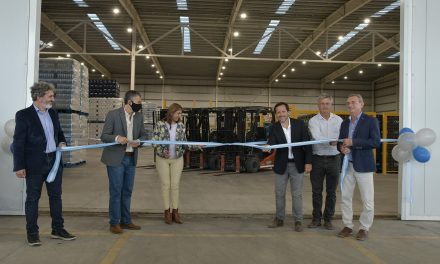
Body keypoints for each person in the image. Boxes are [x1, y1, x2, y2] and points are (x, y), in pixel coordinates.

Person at [13, 81, 76, 246]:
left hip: (54, 162)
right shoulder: (23, 115)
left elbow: (59, 133)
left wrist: (61, 142)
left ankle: (58, 229)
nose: (53, 99)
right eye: (50, 96)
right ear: (39, 96)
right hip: (34, 163)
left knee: (56, 197)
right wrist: (19, 166)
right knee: (33, 198)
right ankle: (32, 233)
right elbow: (18, 142)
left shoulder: (53, 113)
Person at [101, 90, 147, 234]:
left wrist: (139, 141)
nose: (140, 105)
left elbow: (144, 135)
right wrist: (117, 138)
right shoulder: (113, 114)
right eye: (139, 102)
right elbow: (104, 136)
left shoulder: (138, 117)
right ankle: (114, 222)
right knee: (116, 191)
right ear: (130, 102)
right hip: (115, 159)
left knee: (127, 191)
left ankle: (126, 221)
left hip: (131, 158)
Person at [337, 94, 380, 241]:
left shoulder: (370, 121)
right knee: (345, 198)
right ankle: (348, 225)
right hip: (347, 166)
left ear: (362, 104)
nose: (350, 106)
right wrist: (342, 148)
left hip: (364, 166)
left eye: (353, 103)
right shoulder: (344, 123)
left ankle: (364, 228)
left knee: (367, 200)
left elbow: (375, 142)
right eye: (348, 103)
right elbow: (340, 142)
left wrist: (353, 142)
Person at [266, 102, 312, 232]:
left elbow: (308, 144)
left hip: (297, 164)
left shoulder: (299, 124)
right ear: (276, 114)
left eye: (283, 111)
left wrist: (308, 162)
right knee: (279, 193)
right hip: (281, 164)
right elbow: (272, 143)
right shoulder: (274, 128)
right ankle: (279, 219)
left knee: (297, 194)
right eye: (278, 112)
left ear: (288, 112)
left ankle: (298, 220)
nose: (281, 114)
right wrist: (268, 148)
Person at [153, 103, 199, 224]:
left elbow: (185, 143)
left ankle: (175, 212)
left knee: (175, 185)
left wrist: (196, 146)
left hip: (177, 159)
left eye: (181, 113)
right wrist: (162, 152)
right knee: (166, 185)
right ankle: (167, 212)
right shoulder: (160, 125)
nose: (180, 115)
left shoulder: (181, 126)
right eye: (178, 113)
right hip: (162, 159)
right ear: (172, 112)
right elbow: (154, 142)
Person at [307, 94, 343, 230]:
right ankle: (316, 218)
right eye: (322, 104)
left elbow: (340, 137)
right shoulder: (313, 121)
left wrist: (334, 140)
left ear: (331, 105)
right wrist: (331, 140)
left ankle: (328, 219)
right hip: (317, 159)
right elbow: (317, 136)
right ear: (318, 105)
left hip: (334, 159)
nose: (325, 106)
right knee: (316, 191)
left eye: (327, 103)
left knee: (331, 192)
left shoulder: (338, 120)